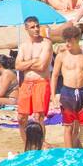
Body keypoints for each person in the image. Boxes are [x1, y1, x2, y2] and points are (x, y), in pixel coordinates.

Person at [51, 23, 83, 149]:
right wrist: (53, 95)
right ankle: (69, 153)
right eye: (65, 41)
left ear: (76, 39)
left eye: (69, 41)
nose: (67, 44)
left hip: (82, 91)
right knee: (68, 126)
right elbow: (54, 76)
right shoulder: (62, 56)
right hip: (67, 93)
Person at [16, 15, 53, 143]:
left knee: (39, 116)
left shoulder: (46, 43)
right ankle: (27, 144)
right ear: (27, 29)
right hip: (26, 83)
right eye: (33, 27)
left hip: (41, 82)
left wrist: (26, 63)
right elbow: (17, 65)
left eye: (37, 26)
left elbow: (42, 66)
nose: (36, 29)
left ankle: (41, 144)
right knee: (21, 117)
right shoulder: (23, 46)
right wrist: (33, 61)